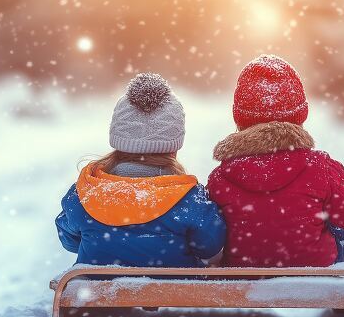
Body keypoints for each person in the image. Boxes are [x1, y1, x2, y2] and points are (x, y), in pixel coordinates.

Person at [207, 55, 344, 268]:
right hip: (316, 271)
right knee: (341, 229)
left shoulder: (221, 176)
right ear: (299, 115)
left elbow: (210, 239)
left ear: (240, 117)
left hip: (245, 272)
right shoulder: (318, 165)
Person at [56, 73, 226, 267]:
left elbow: (68, 240)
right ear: (174, 147)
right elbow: (210, 246)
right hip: (175, 296)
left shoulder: (86, 192)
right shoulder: (189, 199)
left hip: (100, 295)